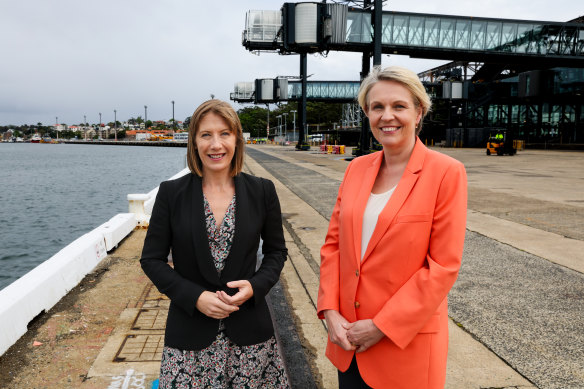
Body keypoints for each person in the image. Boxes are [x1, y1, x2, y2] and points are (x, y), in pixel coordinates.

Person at [317, 66, 467, 389]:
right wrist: (329, 310)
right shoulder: (356, 169)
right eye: (377, 107)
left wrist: (382, 325)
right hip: (349, 343)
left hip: (405, 348)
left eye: (399, 106)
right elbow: (333, 246)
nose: (388, 116)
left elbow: (442, 267)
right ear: (367, 114)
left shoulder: (446, 173)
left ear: (419, 112)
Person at [140, 99, 289, 388]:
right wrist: (194, 297)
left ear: (237, 139)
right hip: (189, 337)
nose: (216, 144)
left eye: (225, 134)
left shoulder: (262, 191)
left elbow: (276, 252)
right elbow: (152, 259)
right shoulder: (171, 193)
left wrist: (255, 287)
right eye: (206, 135)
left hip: (250, 336)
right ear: (194, 142)